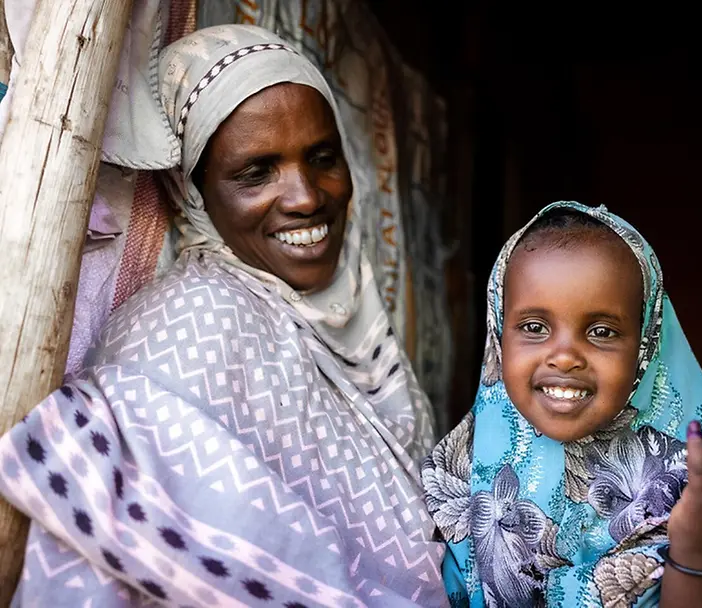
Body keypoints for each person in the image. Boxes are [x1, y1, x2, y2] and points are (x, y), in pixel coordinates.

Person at [0, 25, 447, 606]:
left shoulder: (359, 333)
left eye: (322, 158)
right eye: (256, 172)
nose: (306, 196)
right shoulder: (190, 325)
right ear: (195, 192)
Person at [422, 202, 702, 607]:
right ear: (499, 333)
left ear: (646, 347)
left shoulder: (694, 487)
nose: (564, 357)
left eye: (601, 331)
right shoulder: (457, 473)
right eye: (533, 327)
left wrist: (700, 554)